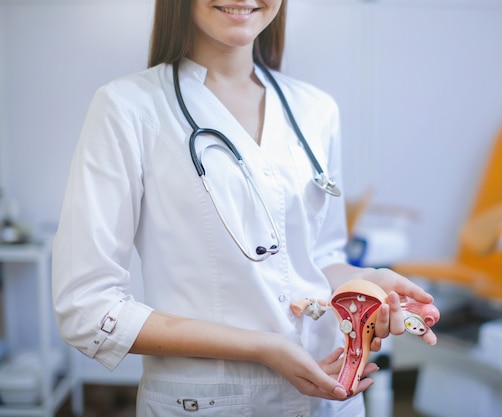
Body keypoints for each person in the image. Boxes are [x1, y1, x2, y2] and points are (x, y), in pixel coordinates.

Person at [52, 1, 437, 416]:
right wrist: (264, 348)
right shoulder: (127, 108)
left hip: (330, 392)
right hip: (210, 401)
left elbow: (319, 259)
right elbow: (88, 308)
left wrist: (366, 284)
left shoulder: (316, 109)